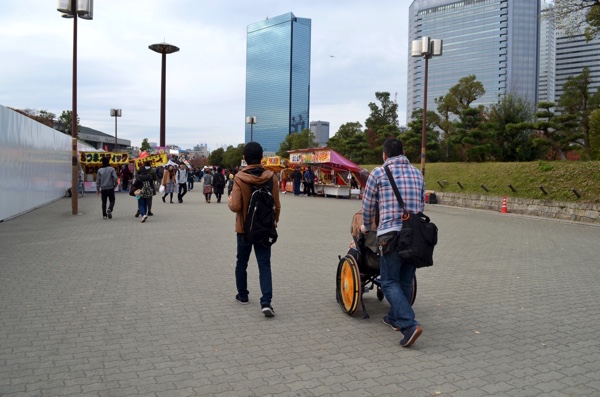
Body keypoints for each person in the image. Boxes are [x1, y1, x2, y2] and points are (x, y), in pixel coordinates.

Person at [360, 138, 425, 348]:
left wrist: (365, 226)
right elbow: (421, 204)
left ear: (384, 155)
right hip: (414, 234)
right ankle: (394, 318)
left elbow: (368, 205)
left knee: (388, 281)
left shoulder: (378, 173)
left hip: (390, 234)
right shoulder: (417, 173)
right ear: (404, 152)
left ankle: (409, 325)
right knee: (405, 279)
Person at [228, 142, 281, 317]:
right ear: (261, 157)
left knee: (241, 262)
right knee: (264, 264)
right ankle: (266, 302)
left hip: (244, 228)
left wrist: (229, 200)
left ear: (244, 157)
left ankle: (242, 295)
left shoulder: (239, 178)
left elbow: (235, 205)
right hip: (264, 229)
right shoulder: (271, 177)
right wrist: (274, 222)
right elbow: (277, 205)